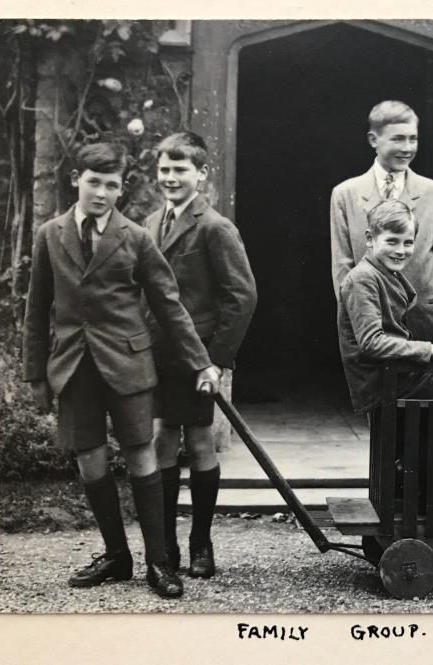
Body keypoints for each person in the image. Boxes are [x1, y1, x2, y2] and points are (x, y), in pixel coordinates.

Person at [22, 142, 219, 599]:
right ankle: (116, 555)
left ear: (121, 189)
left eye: (112, 186)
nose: (102, 194)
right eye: (94, 183)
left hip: (128, 363)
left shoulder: (135, 237)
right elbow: (37, 311)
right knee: (89, 457)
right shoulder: (50, 234)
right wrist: (36, 375)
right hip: (73, 366)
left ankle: (158, 562)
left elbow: (169, 307)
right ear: (77, 179)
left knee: (140, 454)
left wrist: (202, 362)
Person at [144, 131, 258, 579]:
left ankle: (201, 543)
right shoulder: (151, 224)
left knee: (199, 442)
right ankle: (167, 544)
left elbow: (242, 296)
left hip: (198, 361)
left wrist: (216, 359)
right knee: (160, 442)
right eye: (165, 170)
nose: (171, 178)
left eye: (181, 170)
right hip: (157, 357)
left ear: (201, 174)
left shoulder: (214, 226)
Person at [330, 100, 433, 348]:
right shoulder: (346, 195)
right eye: (398, 139)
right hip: (376, 332)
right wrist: (355, 328)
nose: (407, 148)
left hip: (431, 326)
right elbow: (343, 270)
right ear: (373, 140)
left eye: (413, 139)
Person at [337, 200, 433, 417]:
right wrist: (431, 349)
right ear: (369, 239)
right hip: (384, 382)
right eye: (392, 241)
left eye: (408, 243)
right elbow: (371, 343)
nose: (400, 251)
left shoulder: (385, 274)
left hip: (398, 373)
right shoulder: (363, 279)